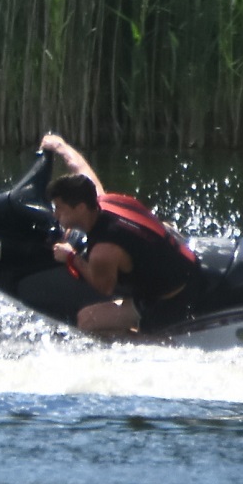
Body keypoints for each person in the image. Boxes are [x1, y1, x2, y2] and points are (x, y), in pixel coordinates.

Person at [40, 134, 200, 337]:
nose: (55, 215)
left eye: (59, 209)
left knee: (87, 320)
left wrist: (72, 257)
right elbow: (80, 168)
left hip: (172, 296)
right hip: (183, 266)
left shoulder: (103, 251)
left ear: (80, 208)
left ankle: (149, 343)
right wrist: (60, 147)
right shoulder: (103, 201)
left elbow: (104, 287)